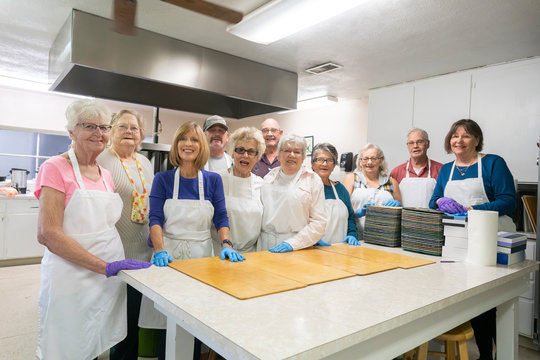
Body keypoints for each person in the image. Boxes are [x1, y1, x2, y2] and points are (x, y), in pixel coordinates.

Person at [34, 99, 151, 360]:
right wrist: (103, 266)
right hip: (71, 274)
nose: (99, 133)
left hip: (105, 277)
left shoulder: (105, 174)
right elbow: (48, 234)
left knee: (96, 337)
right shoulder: (54, 168)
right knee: (66, 343)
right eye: (89, 126)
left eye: (103, 127)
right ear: (71, 132)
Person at [138, 122, 244, 346]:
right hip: (168, 257)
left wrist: (226, 244)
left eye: (194, 139)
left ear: (201, 146)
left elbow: (221, 217)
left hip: (201, 259)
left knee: (195, 323)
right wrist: (159, 250)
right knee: (166, 324)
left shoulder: (213, 180)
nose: (188, 144)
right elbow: (155, 219)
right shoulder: (163, 179)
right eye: (183, 139)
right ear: (176, 145)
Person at [429, 119, 517, 360]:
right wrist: (440, 202)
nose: (459, 140)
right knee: (474, 302)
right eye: (455, 136)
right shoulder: (446, 169)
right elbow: (433, 200)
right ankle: (485, 356)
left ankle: (504, 354)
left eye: (466, 136)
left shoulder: (492, 163)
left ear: (477, 140)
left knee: (492, 302)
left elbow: (509, 200)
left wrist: (472, 209)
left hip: (492, 238)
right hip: (457, 243)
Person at [97, 109, 154, 360]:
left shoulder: (145, 163)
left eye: (134, 128)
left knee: (133, 318)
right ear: (111, 131)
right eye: (123, 126)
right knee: (113, 320)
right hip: (112, 250)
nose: (129, 132)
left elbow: (151, 201)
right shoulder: (101, 159)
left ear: (141, 134)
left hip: (142, 250)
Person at [259, 134, 327, 252]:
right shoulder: (268, 178)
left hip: (297, 246)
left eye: (297, 152)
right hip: (265, 244)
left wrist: (293, 243)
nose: (291, 155)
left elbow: (319, 222)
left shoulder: (312, 179)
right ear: (279, 155)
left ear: (303, 157)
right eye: (287, 150)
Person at [212, 127, 266, 254]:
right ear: (232, 152)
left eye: (251, 151)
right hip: (220, 251)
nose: (245, 155)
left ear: (257, 156)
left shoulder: (261, 184)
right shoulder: (217, 180)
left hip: (251, 254)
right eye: (240, 150)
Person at [343, 143, 402, 238]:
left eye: (373, 158)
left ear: (381, 160)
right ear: (360, 161)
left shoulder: (392, 182)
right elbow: (343, 207)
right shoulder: (351, 179)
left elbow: (400, 212)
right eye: (365, 159)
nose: (369, 162)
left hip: (385, 237)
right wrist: (358, 212)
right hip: (356, 235)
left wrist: (398, 206)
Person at [311, 143, 359, 246]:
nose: (325, 164)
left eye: (329, 160)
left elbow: (350, 217)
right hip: (312, 251)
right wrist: (310, 240)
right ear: (312, 164)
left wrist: (352, 234)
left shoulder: (340, 189)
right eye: (320, 159)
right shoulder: (305, 189)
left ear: (333, 166)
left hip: (340, 251)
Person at [389, 128, 442, 208]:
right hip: (404, 219)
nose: (415, 146)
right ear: (407, 146)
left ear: (428, 144)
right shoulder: (396, 172)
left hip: (432, 220)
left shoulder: (440, 170)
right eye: (411, 143)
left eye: (420, 142)